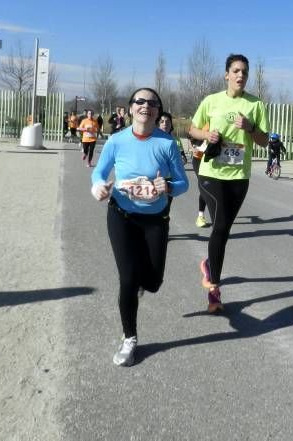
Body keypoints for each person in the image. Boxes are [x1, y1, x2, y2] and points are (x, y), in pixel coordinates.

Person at [90, 87, 188, 366]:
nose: (146, 106)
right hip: (121, 215)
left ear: (158, 111)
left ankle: (142, 284)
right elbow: (99, 171)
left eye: (153, 103)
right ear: (131, 108)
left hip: (155, 220)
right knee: (128, 279)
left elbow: (184, 184)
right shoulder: (117, 141)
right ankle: (129, 337)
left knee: (154, 282)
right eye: (140, 101)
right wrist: (98, 186)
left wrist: (167, 186)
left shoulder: (166, 143)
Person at [189, 54, 269, 312]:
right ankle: (214, 289)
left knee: (223, 231)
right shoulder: (212, 101)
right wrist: (206, 133)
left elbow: (263, 142)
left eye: (244, 72)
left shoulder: (255, 105)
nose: (240, 75)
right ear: (226, 74)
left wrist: (250, 126)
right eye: (236, 71)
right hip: (211, 171)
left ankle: (209, 265)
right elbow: (192, 129)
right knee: (220, 225)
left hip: (238, 176)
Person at [189, 130, 210, 228]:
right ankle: (200, 216)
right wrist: (192, 149)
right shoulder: (201, 122)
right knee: (204, 185)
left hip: (213, 159)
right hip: (199, 159)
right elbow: (190, 137)